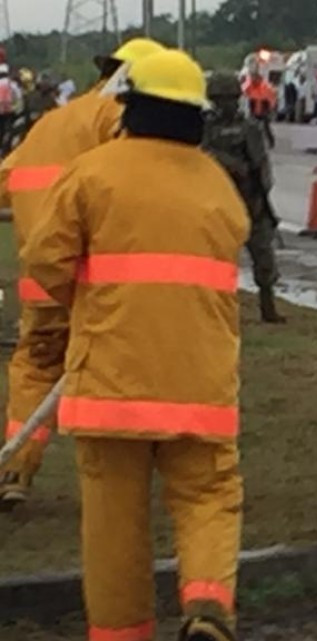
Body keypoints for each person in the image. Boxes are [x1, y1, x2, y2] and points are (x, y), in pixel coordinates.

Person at [23, 49, 248, 641]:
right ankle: (208, 605)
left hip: (109, 384)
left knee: (113, 528)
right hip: (200, 386)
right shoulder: (218, 185)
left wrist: (90, 306)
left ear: (130, 106)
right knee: (208, 497)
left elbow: (44, 258)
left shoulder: (91, 173)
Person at [0, 38, 166, 510]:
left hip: (43, 284)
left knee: (36, 367)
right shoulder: (121, 119)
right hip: (103, 283)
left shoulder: (50, 125)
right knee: (122, 374)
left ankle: (15, 469)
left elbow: (5, 183)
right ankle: (122, 480)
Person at [204, 71, 285, 324]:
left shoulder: (249, 128)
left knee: (263, 255)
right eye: (219, 99)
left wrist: (261, 193)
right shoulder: (204, 128)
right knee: (216, 258)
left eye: (228, 99)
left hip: (249, 199)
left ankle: (268, 306)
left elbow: (260, 166)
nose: (224, 105)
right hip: (217, 200)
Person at [243, 69, 277, 148]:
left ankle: (271, 142)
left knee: (266, 127)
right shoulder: (250, 86)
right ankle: (254, 143)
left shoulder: (265, 86)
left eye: (254, 78)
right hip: (254, 109)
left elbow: (271, 99)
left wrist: (271, 110)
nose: (253, 80)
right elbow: (245, 92)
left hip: (263, 110)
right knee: (252, 128)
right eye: (252, 78)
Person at [0, 64, 23, 152]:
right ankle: (6, 147)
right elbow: (19, 97)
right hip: (10, 111)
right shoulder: (12, 84)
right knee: (9, 130)